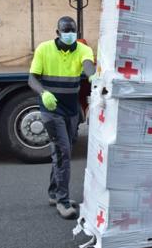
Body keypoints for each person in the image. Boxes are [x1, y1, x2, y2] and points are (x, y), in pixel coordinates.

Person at [28, 16, 95, 219]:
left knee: (63, 151)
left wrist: (94, 77)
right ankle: (62, 201)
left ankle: (53, 193)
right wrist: (43, 93)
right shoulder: (44, 49)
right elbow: (32, 78)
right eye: (65, 31)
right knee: (63, 153)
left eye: (73, 31)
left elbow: (88, 67)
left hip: (71, 111)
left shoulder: (84, 50)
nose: (69, 35)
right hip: (51, 110)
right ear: (57, 33)